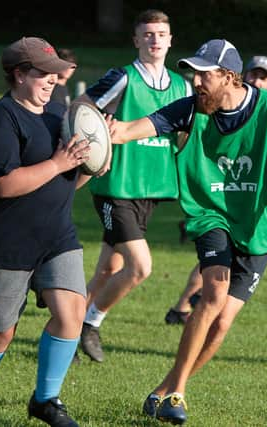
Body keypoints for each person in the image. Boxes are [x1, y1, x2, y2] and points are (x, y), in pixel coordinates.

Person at [107, 39, 267, 424]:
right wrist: (103, 130)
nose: (195, 80)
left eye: (204, 73)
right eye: (193, 72)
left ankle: (165, 388)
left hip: (259, 227)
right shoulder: (192, 108)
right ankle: (178, 393)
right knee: (213, 293)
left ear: (229, 76)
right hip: (211, 216)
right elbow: (130, 130)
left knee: (222, 323)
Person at [0, 37, 99, 427]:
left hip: (56, 237)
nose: (52, 80)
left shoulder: (58, 114)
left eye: (54, 72)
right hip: (2, 240)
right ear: (18, 75)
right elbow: (4, 184)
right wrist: (58, 162)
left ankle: (46, 400)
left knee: (71, 314)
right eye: (41, 73)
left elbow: (66, 181)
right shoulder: (1, 118)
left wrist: (89, 163)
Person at [75, 9, 193, 363]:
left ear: (171, 40)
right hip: (116, 187)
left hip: (151, 188)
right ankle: (89, 324)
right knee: (140, 267)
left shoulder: (183, 86)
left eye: (161, 33)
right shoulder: (123, 78)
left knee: (107, 270)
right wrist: (97, 140)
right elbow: (82, 105)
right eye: (148, 34)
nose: (155, 39)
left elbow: (187, 136)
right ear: (137, 40)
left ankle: (61, 331)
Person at [166, 54, 267, 325]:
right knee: (215, 258)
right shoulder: (212, 105)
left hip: (248, 210)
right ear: (239, 77)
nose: (257, 80)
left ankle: (190, 304)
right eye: (253, 75)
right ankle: (183, 306)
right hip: (216, 203)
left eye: (263, 77)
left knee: (219, 273)